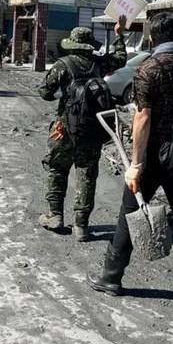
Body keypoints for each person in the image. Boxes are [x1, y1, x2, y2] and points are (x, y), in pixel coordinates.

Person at [88, 11, 173, 323]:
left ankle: (111, 276)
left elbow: (142, 118)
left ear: (151, 39)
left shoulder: (148, 69)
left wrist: (136, 163)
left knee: (130, 212)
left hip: (151, 158)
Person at [37, 16, 127, 240]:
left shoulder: (63, 65)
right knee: (86, 175)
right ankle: (81, 226)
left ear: (72, 44)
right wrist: (119, 34)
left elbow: (45, 93)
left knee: (57, 169)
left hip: (64, 128)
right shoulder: (99, 64)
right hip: (91, 129)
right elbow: (120, 58)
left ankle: (55, 215)